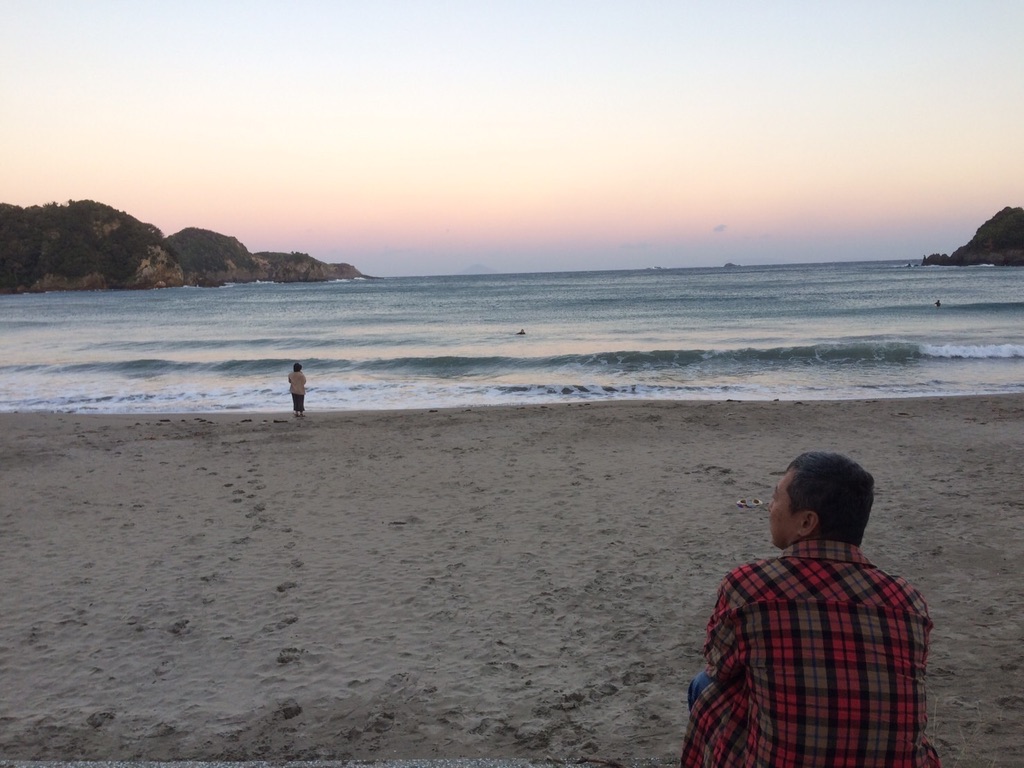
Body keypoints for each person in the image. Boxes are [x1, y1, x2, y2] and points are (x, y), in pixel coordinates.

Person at [681, 452, 940, 767]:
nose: (770, 507)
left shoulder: (750, 587)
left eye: (776, 497)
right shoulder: (909, 601)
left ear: (806, 522)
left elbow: (719, 667)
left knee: (705, 686)